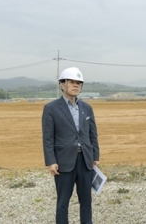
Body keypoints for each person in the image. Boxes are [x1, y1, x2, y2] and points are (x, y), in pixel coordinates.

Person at [42, 67, 100, 224]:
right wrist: (51, 161)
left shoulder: (87, 108)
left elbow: (92, 134)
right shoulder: (51, 108)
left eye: (79, 83)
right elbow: (48, 138)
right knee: (63, 202)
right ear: (62, 84)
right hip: (63, 162)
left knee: (86, 201)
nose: (76, 86)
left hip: (85, 161)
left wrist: (95, 156)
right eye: (72, 82)